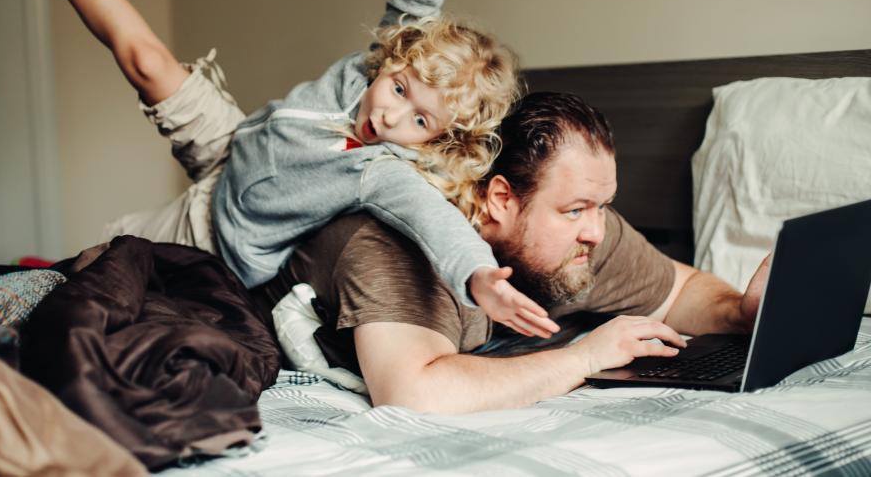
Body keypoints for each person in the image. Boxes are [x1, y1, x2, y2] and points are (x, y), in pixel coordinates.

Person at [4, 0, 560, 337]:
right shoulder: (368, 68)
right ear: (392, 59)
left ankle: (37, 277)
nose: (392, 119)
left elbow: (431, 218)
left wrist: (479, 275)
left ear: (439, 139)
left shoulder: (381, 171)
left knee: (94, 274)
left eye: (420, 122)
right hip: (231, 143)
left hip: (217, 235)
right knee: (148, 62)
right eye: (399, 90)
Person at [252, 91, 770, 413]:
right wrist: (585, 357)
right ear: (501, 199)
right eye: (574, 210)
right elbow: (413, 392)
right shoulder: (396, 244)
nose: (596, 230)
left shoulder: (587, 232)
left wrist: (739, 312)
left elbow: (679, 288)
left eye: (603, 205)